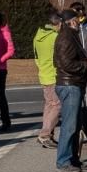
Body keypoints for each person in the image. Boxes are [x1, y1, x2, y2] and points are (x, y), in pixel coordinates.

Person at [54, 9, 87, 172]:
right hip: (69, 85)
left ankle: (73, 159)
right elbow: (66, 64)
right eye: (77, 20)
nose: (79, 22)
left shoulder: (71, 35)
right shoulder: (65, 38)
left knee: (76, 125)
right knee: (69, 126)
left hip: (74, 84)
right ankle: (63, 161)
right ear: (71, 21)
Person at [33, 13, 63, 148]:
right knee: (57, 105)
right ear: (57, 24)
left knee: (49, 104)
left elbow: (36, 56)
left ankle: (47, 134)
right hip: (53, 74)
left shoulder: (38, 36)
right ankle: (45, 134)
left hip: (43, 73)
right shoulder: (55, 37)